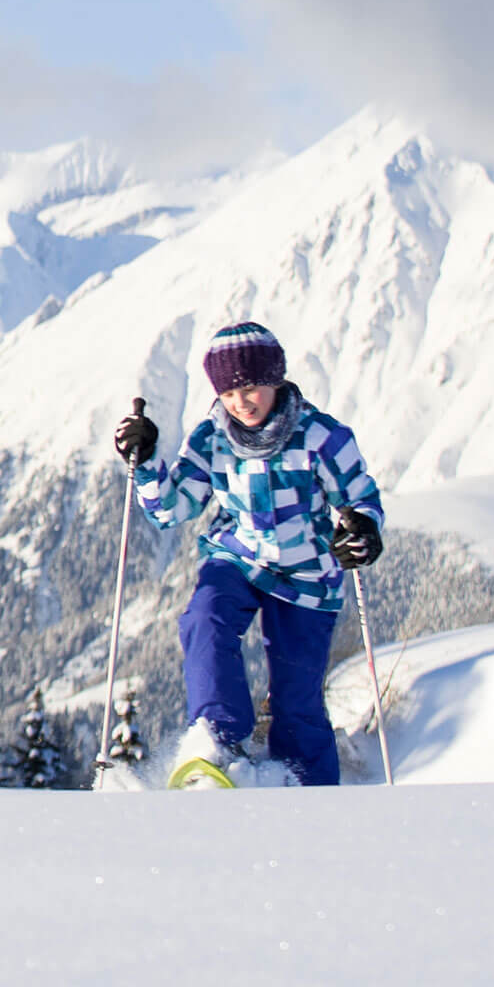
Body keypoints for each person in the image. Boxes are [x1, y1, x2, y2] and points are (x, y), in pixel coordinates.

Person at [114, 322, 384, 788]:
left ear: (276, 379)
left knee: (297, 700)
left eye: (254, 386)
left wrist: (362, 529)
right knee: (205, 618)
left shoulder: (321, 437)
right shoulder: (212, 438)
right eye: (231, 391)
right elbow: (170, 509)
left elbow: (360, 498)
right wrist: (146, 458)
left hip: (308, 574)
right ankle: (216, 742)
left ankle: (308, 788)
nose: (244, 401)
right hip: (237, 559)